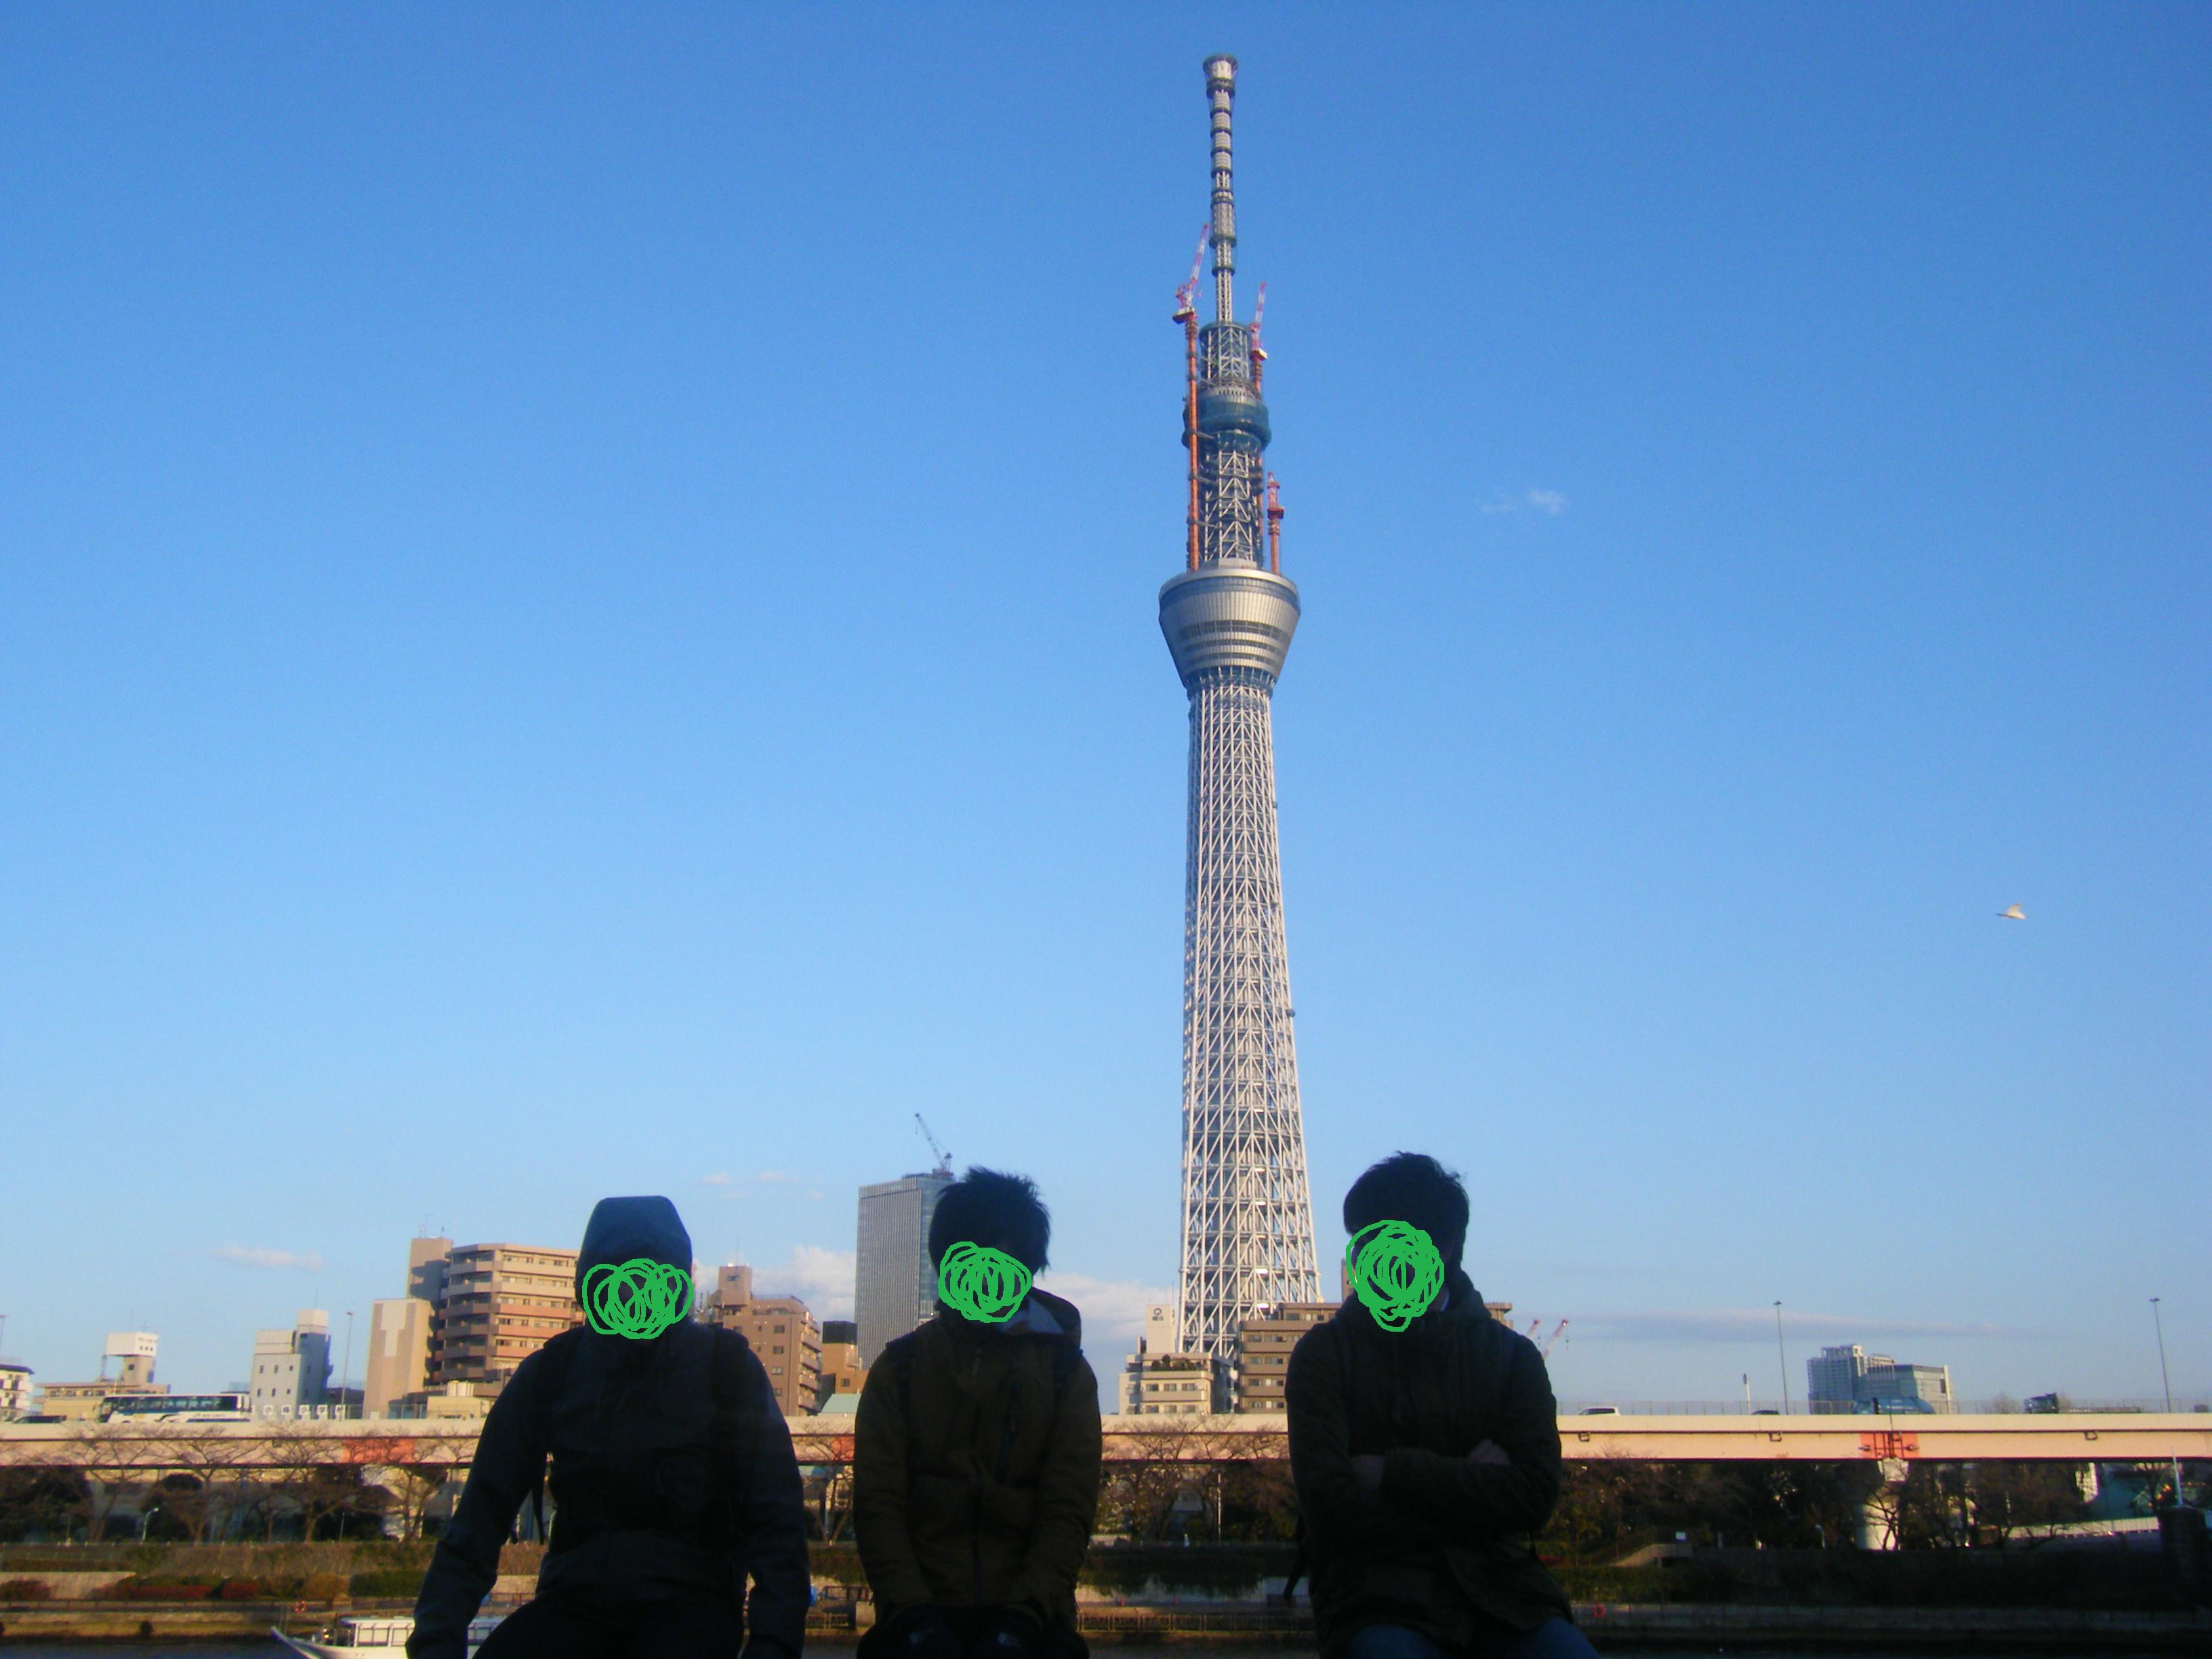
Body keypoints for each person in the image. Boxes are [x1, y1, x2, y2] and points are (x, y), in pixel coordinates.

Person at [408, 1196, 809, 1659]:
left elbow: (777, 1522)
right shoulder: (553, 1372)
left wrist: (772, 1647)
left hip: (685, 1606)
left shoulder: (726, 1370)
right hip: (583, 1603)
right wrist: (436, 1644)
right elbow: (480, 1518)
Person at [1286, 1153, 1596, 1659]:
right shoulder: (1325, 1355)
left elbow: (1535, 1496)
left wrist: (1392, 1473)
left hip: (1507, 1597)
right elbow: (1332, 1514)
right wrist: (1474, 1493)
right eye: (1359, 1242)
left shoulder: (1510, 1357)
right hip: (1376, 1601)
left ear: (1443, 1248)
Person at [853, 1168, 1101, 1659]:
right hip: (922, 1624)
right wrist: (913, 1618)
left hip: (1030, 1627)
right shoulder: (899, 1370)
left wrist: (1024, 1619)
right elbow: (878, 1506)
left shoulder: (1064, 1374)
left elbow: (1067, 1510)